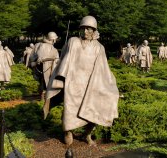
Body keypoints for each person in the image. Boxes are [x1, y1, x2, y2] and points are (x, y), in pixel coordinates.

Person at [43, 16, 119, 146]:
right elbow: (63, 59)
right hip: (73, 82)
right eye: (83, 28)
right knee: (70, 109)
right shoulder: (73, 41)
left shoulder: (99, 48)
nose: (85, 32)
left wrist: (109, 84)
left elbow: (103, 67)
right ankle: (68, 131)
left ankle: (87, 134)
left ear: (94, 30)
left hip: (91, 83)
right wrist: (61, 78)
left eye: (89, 29)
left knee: (94, 108)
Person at [29, 32, 59, 100]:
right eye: (55, 39)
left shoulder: (53, 48)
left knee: (45, 82)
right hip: (43, 68)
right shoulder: (43, 46)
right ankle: (44, 96)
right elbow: (39, 57)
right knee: (44, 82)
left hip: (48, 67)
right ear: (53, 39)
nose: (56, 40)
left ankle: (45, 95)